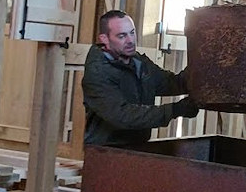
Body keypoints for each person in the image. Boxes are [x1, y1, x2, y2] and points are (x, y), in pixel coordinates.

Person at [82, 9, 199, 148]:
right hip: (105, 150)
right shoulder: (98, 72)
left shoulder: (139, 63)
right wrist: (174, 110)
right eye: (122, 36)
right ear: (104, 39)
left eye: (132, 33)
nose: (130, 40)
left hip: (138, 146)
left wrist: (200, 67)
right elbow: (123, 116)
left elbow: (172, 83)